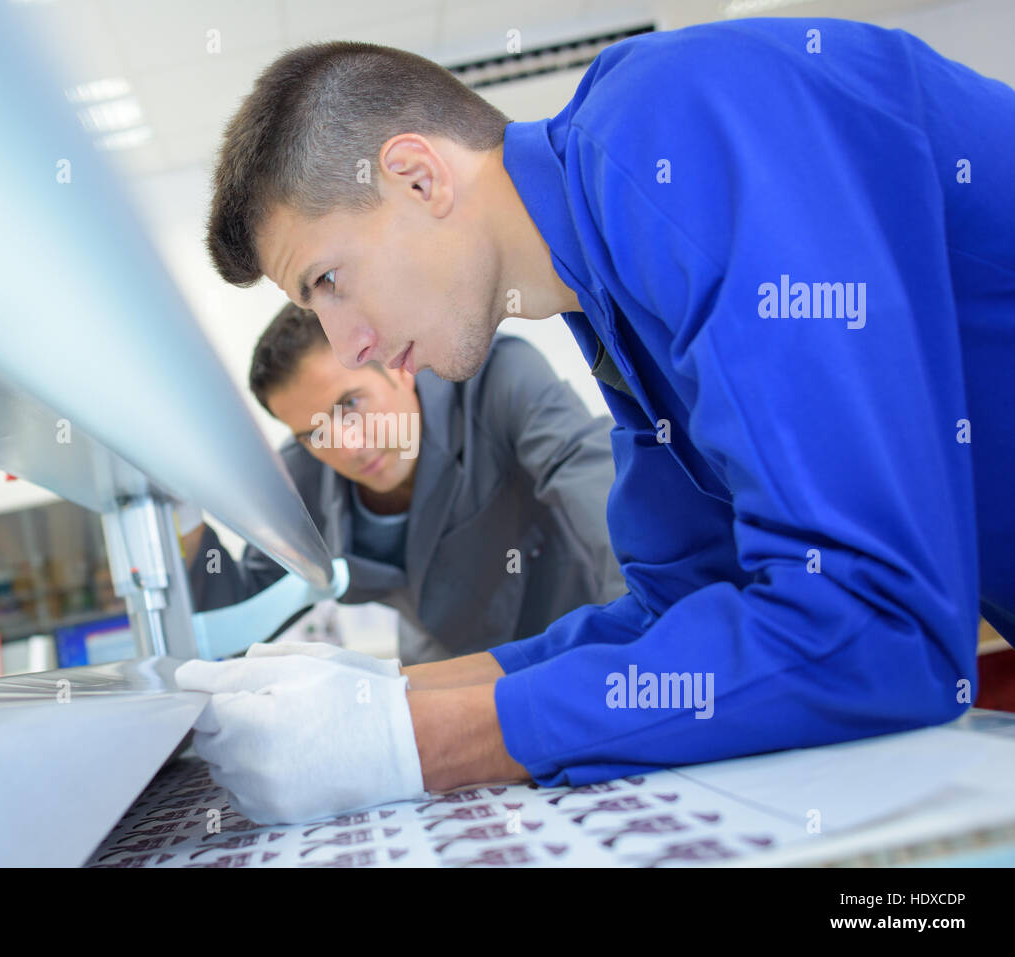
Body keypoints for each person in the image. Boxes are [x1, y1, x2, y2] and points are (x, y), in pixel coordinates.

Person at [176, 17, 1015, 824]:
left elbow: (876, 622)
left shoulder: (677, 119)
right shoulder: (609, 289)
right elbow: (687, 602)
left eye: (327, 280)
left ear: (418, 176)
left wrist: (419, 743)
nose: (348, 346)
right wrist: (384, 694)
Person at [178, 301, 625, 665]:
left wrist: (637, 641)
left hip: (582, 642)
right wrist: (183, 514)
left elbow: (597, 486)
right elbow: (241, 620)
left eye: (350, 404)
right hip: (450, 672)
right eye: (313, 433)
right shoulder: (305, 476)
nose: (347, 446)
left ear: (395, 366)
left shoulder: (497, 379)